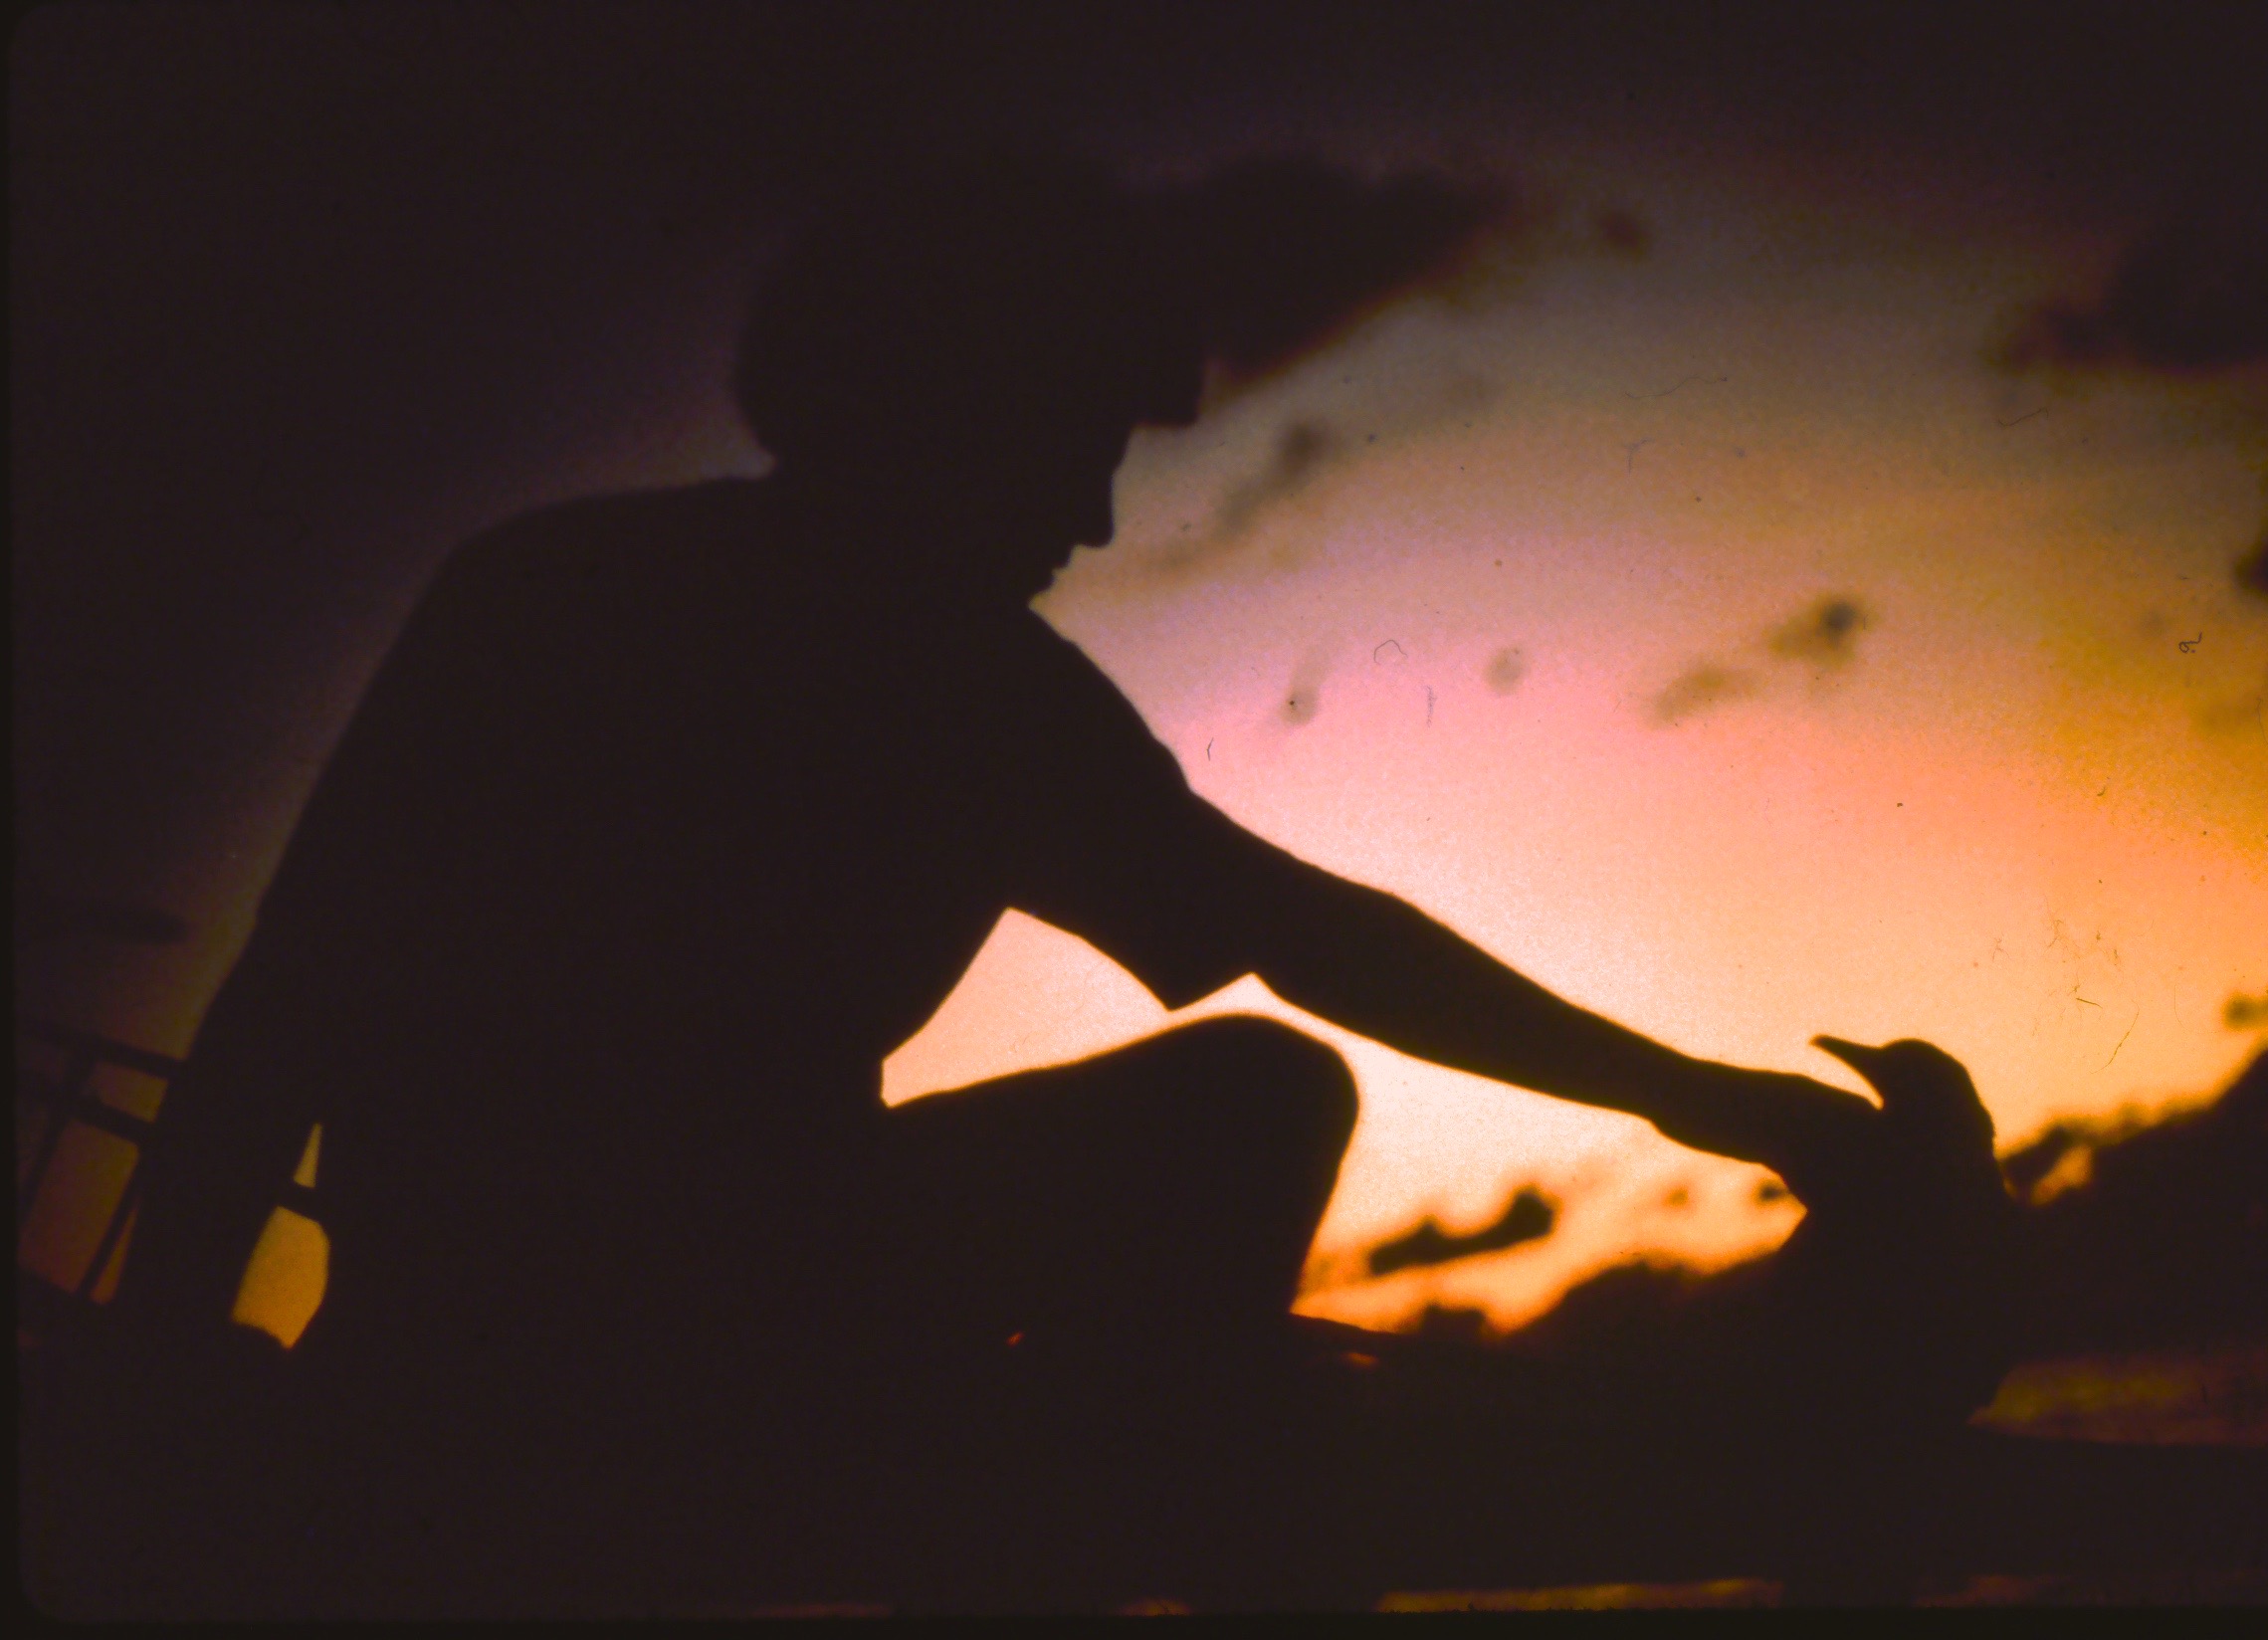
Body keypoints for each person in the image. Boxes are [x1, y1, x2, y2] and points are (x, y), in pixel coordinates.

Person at [93, 155, 2001, 1610]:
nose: (1090, 522)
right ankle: (1117, 1515)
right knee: (1259, 1098)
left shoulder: (624, 604)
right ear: (942, 409)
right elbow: (304, 993)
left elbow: (1311, 931)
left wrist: (1699, 1098)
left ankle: (1110, 1499)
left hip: (633, 1323)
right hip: (572, 1356)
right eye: (1073, 450)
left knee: (1258, 1089)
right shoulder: (748, 645)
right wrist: (173, 1378)